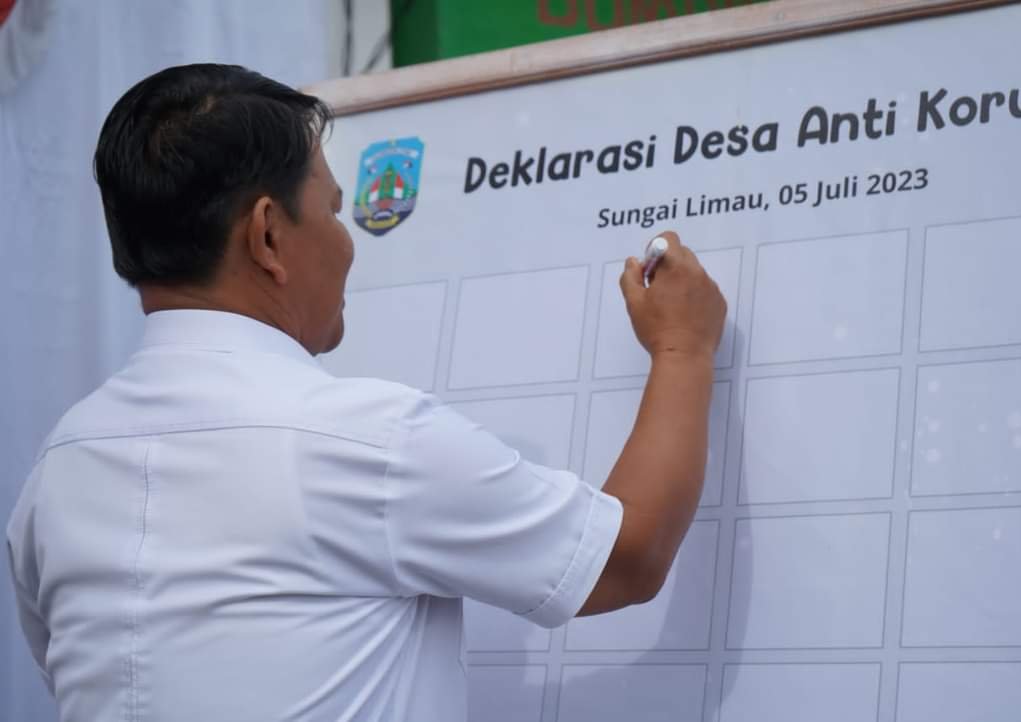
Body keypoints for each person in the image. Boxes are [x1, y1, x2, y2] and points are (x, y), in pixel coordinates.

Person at [6, 64, 726, 721]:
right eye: (334, 210)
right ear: (267, 237)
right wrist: (682, 349)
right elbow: (627, 558)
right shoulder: (368, 442)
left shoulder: (58, 468)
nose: (347, 241)